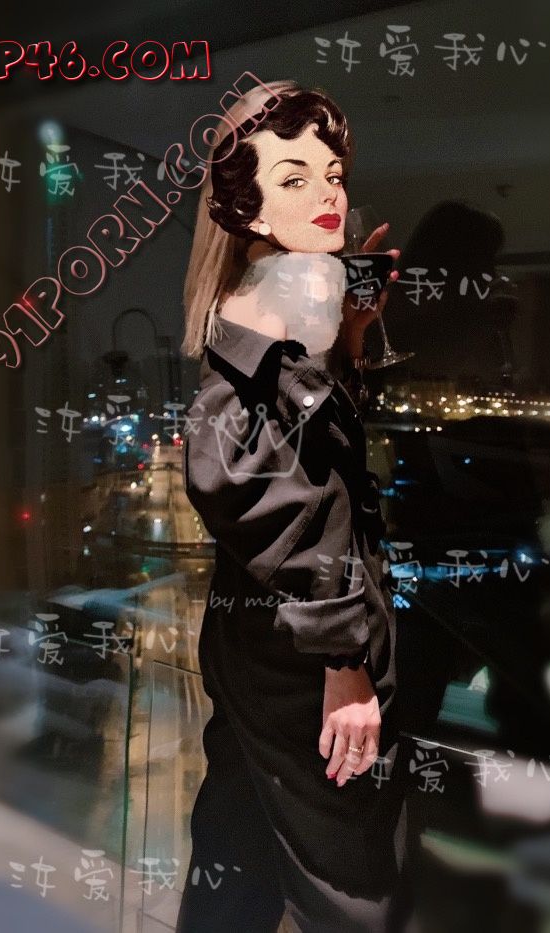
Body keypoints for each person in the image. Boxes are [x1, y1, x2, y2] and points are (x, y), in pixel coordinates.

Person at [177, 80, 412, 933]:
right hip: (299, 659)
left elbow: (310, 457)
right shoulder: (269, 316)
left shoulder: (288, 297)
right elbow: (239, 483)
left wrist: (351, 336)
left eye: (333, 173)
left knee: (234, 854)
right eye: (293, 178)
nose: (327, 195)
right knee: (352, 889)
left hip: (264, 640)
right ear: (245, 206)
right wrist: (343, 656)